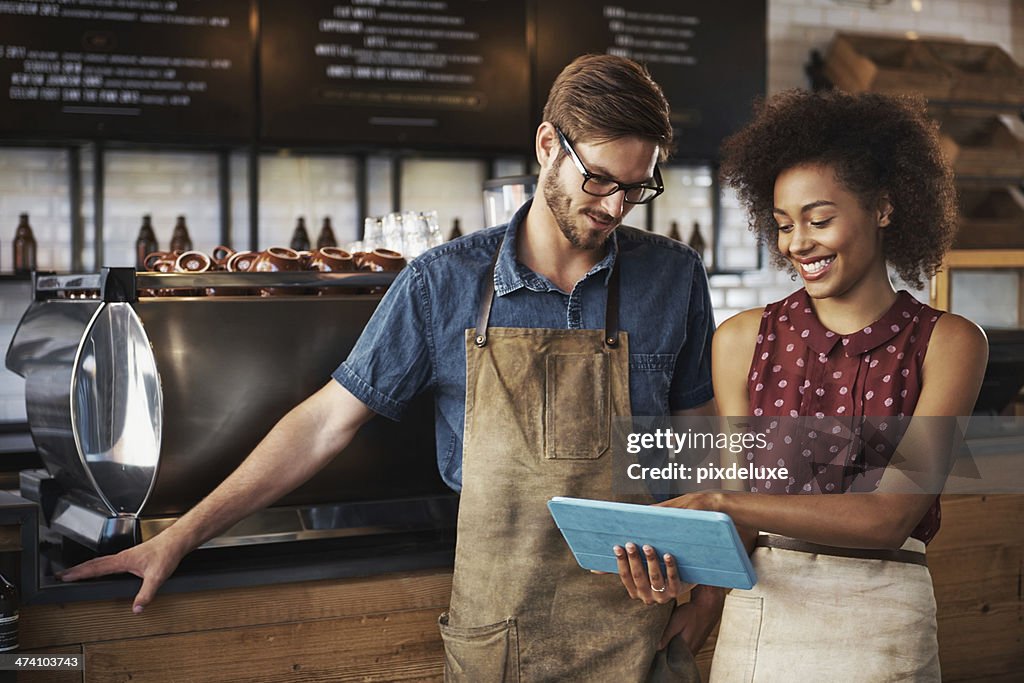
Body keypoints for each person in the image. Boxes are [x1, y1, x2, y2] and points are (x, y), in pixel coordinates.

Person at [60, 54, 716, 681]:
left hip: (643, 639)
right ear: (548, 146)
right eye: (599, 179)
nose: (614, 207)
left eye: (637, 188)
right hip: (501, 642)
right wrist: (179, 536)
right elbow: (323, 423)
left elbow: (699, 446)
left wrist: (708, 588)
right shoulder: (444, 283)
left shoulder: (674, 276)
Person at [613, 89, 988, 681]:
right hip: (761, 617)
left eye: (820, 219)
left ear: (884, 208)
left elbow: (891, 515)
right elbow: (736, 510)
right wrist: (689, 580)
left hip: (886, 624)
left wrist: (719, 501)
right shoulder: (739, 341)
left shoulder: (950, 343)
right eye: (785, 225)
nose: (797, 244)